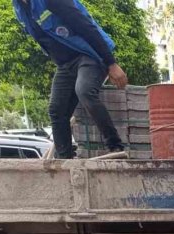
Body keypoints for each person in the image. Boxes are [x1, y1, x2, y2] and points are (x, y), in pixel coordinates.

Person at [13, 0, 128, 159]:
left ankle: (115, 146)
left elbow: (86, 26)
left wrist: (111, 63)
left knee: (84, 91)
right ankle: (64, 159)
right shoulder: (20, 9)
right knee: (56, 109)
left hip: (89, 55)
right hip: (65, 64)